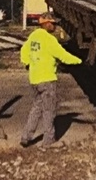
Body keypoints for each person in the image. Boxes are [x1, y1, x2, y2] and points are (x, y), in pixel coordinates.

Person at [19, 12, 83, 148]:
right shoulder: (49, 40)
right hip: (47, 79)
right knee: (49, 110)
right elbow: (63, 55)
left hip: (34, 79)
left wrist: (27, 63)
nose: (55, 26)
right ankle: (48, 140)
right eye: (53, 23)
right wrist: (80, 61)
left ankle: (26, 137)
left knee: (36, 108)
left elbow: (24, 50)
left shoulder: (34, 36)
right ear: (46, 23)